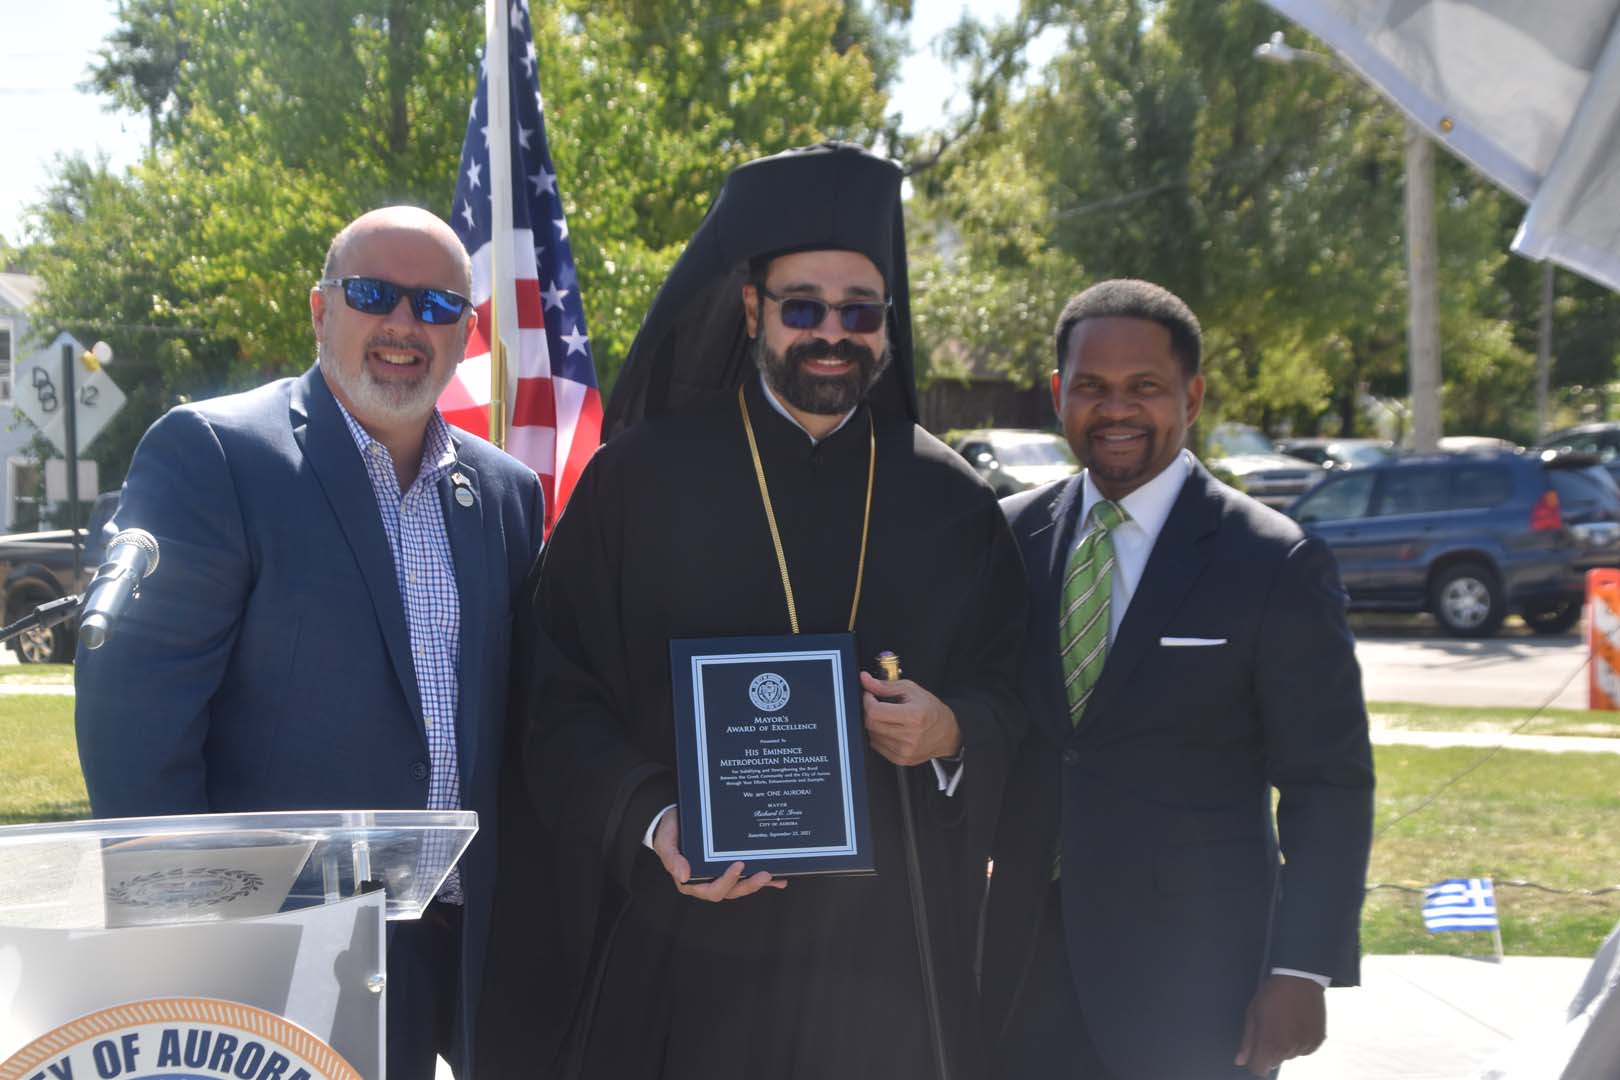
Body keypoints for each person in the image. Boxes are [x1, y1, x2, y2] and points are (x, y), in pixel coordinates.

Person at [486, 143, 1025, 1080]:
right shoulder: (639, 482)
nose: (832, 333)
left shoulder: (952, 500)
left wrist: (952, 733)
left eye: (860, 312)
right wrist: (653, 819)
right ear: (751, 310)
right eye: (803, 307)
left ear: (887, 328)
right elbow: (554, 694)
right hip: (685, 942)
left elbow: (1018, 691)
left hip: (887, 966)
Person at [74, 206, 544, 1080]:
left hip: (461, 947)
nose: (405, 324)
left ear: (466, 332)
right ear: (322, 310)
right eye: (374, 295)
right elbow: (136, 728)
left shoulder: (505, 493)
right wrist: (186, 947)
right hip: (278, 949)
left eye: (436, 305)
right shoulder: (216, 454)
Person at [981, 279, 1375, 1079]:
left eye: (1144, 388)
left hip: (1197, 987)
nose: (1115, 409)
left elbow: (1327, 783)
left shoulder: (1272, 560)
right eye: (1091, 386)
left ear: (1191, 396)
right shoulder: (1006, 538)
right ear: (1059, 395)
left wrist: (1301, 969)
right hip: (1018, 972)